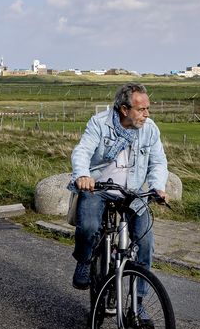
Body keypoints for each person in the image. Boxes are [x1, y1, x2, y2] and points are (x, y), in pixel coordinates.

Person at [69, 83, 168, 293]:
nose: (147, 114)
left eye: (147, 108)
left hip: (133, 193)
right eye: (141, 109)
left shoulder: (150, 129)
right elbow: (82, 151)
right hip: (98, 188)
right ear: (124, 109)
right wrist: (83, 175)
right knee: (87, 228)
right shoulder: (100, 123)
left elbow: (158, 162)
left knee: (145, 244)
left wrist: (157, 187)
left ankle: (138, 303)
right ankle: (85, 260)